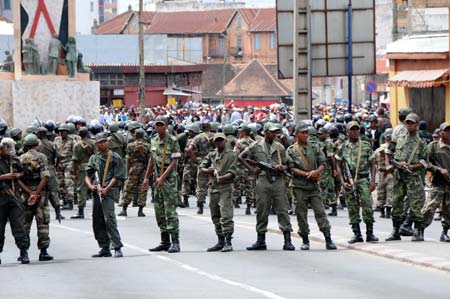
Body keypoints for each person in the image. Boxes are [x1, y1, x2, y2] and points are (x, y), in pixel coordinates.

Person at [239, 122, 295, 251]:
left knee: (282, 210)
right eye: (272, 132)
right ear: (265, 132)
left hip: (278, 180)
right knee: (262, 210)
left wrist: (283, 167)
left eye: (276, 132)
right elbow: (241, 157)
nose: (275, 134)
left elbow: (289, 164)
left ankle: (287, 240)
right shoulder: (256, 145)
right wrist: (252, 170)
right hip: (263, 179)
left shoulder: (279, 147)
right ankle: (261, 240)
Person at [287, 122, 337, 250]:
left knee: (320, 212)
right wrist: (307, 174)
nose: (305, 135)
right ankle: (305, 239)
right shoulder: (291, 150)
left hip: (313, 186)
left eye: (306, 133)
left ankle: (328, 238)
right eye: (303, 133)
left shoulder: (314, 147)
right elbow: (291, 168)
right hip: (299, 187)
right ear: (296, 134)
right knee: (301, 214)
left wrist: (317, 172)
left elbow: (323, 162)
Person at [385, 113, 427, 242]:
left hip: (412, 177)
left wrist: (412, 167)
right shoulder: (399, 138)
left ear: (417, 125)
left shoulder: (421, 142)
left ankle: (417, 231)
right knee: (396, 202)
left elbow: (424, 161)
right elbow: (389, 152)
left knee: (415, 204)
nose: (409, 125)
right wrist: (389, 164)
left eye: (412, 123)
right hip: (399, 176)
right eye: (407, 122)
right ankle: (395, 231)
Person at [336, 121, 379, 244]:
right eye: (352, 129)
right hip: (348, 180)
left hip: (363, 179)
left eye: (357, 129)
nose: (355, 132)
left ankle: (370, 233)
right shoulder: (342, 147)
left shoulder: (365, 145)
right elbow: (338, 165)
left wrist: (372, 181)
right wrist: (342, 182)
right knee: (352, 206)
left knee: (367, 204)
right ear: (347, 131)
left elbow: (372, 164)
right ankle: (357, 233)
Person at [144, 116, 182, 253]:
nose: (159, 127)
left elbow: (174, 162)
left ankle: (175, 242)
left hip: (169, 180)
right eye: (157, 125)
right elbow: (151, 160)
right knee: (159, 211)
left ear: (166, 126)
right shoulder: (153, 140)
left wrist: (163, 177)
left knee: (170, 211)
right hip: (157, 180)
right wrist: (146, 178)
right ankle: (165, 241)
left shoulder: (172, 140)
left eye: (161, 125)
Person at [85, 133, 125, 258]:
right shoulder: (94, 158)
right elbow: (88, 175)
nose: (102, 144)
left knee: (109, 219)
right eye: (99, 142)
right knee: (98, 220)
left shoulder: (114, 157)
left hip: (109, 191)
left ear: (108, 142)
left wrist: (107, 188)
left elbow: (118, 176)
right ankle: (104, 247)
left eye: (104, 141)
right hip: (97, 192)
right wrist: (91, 186)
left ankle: (117, 246)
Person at [19, 134, 55, 261]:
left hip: (25, 195)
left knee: (24, 224)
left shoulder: (21, 158)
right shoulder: (42, 157)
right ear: (37, 144)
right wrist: (36, 193)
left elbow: (17, 179)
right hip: (41, 195)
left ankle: (23, 253)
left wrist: (29, 192)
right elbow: (45, 176)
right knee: (43, 223)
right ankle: (43, 252)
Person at [199, 133, 237, 252]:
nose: (219, 142)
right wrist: (208, 170)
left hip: (225, 187)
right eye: (217, 141)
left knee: (226, 215)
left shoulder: (232, 154)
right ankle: (220, 240)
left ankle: (228, 241)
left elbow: (233, 171)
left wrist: (224, 177)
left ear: (225, 141)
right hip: (214, 187)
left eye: (221, 140)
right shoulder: (212, 154)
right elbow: (201, 167)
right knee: (215, 215)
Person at [0, 138, 30, 264]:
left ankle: (23, 252)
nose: (8, 153)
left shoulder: (15, 160)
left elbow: (26, 172)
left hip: (14, 197)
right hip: (0, 199)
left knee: (19, 226)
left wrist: (19, 175)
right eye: (6, 150)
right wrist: (4, 177)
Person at [422, 122, 450, 242]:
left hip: (449, 184)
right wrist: (438, 169)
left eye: (449, 130)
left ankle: (444, 232)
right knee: (429, 208)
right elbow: (424, 162)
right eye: (445, 130)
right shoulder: (433, 146)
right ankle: (420, 230)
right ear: (440, 132)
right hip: (437, 182)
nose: (447, 133)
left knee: (448, 210)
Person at [118, 129, 150, 217]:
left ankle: (124, 209)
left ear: (135, 136)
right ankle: (140, 210)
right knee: (143, 189)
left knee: (128, 188)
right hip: (144, 168)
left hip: (134, 168)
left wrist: (128, 172)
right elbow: (150, 159)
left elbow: (128, 159)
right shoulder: (148, 146)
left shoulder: (130, 145)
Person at [187, 121, 214, 214]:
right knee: (215, 184)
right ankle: (214, 205)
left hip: (202, 161)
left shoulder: (198, 137)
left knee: (201, 185)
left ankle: (200, 206)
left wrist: (195, 160)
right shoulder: (215, 136)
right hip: (214, 161)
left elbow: (190, 149)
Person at [71, 127, 96, 219]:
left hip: (82, 168)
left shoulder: (77, 145)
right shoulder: (94, 143)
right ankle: (97, 210)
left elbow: (75, 160)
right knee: (96, 188)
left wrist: (74, 172)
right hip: (94, 167)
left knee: (81, 189)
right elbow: (97, 155)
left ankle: (80, 212)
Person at [233, 124, 256, 215]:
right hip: (250, 168)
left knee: (237, 186)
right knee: (249, 187)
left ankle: (235, 202)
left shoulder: (239, 142)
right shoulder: (254, 142)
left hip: (240, 167)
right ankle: (248, 207)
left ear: (243, 132)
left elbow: (235, 155)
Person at [373, 129, 394, 219]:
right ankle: (388, 212)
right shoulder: (393, 149)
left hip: (381, 172)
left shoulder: (378, 150)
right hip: (391, 173)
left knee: (381, 192)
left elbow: (373, 162)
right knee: (390, 192)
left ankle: (382, 212)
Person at [54, 124, 76, 210]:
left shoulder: (72, 141)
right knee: (60, 183)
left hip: (69, 162)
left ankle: (70, 201)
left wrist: (74, 166)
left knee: (68, 182)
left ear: (67, 132)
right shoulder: (57, 140)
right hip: (59, 162)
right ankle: (64, 200)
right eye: (60, 131)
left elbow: (74, 153)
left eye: (64, 131)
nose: (62, 133)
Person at [181, 123, 200, 208]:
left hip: (190, 162)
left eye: (190, 131)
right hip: (198, 162)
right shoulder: (200, 138)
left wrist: (185, 160)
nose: (188, 132)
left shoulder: (191, 140)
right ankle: (200, 200)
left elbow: (188, 152)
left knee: (186, 180)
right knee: (198, 181)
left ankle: (185, 199)